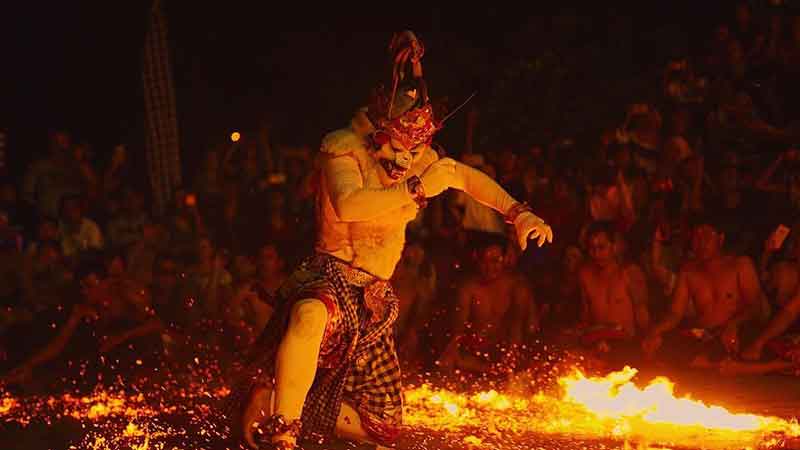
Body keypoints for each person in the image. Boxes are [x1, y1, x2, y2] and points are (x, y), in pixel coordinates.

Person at [232, 31, 553, 450]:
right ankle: (283, 432)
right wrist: (418, 189)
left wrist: (518, 212)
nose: (404, 162)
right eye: (396, 150)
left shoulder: (420, 159)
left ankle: (277, 396)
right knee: (310, 317)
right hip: (330, 277)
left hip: (375, 298)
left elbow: (464, 177)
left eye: (413, 152)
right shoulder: (343, 149)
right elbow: (349, 205)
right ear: (378, 131)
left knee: (383, 429)